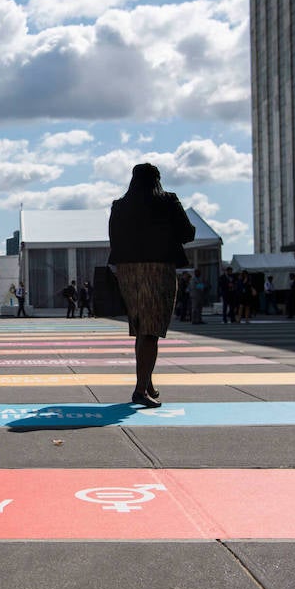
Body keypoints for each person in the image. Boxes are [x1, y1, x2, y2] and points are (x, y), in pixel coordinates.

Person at [108, 163, 195, 409]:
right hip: (158, 269)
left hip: (127, 272)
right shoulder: (168, 201)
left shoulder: (119, 205)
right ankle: (139, 390)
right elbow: (187, 233)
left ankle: (146, 383)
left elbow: (114, 238)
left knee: (141, 329)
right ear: (157, 180)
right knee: (151, 330)